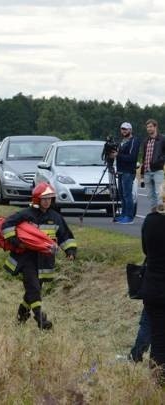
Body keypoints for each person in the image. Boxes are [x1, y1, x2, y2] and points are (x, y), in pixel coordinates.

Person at [2, 182, 77, 330]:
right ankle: (41, 320)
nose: (47, 201)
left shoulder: (56, 217)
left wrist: (70, 251)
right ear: (37, 199)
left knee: (32, 291)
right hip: (26, 259)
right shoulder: (26, 215)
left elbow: (65, 236)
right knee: (34, 289)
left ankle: (21, 316)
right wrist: (16, 242)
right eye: (44, 198)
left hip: (45, 261)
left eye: (50, 198)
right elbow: (7, 225)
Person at [138, 182, 165, 383]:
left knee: (158, 337)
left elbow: (146, 250)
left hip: (153, 286)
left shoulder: (150, 221)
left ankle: (157, 380)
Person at [111, 122, 140, 224]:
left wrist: (118, 155)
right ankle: (123, 214)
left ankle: (129, 217)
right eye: (122, 129)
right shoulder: (121, 141)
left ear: (130, 130)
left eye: (126, 129)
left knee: (128, 195)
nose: (123, 131)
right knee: (122, 195)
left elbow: (132, 157)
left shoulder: (134, 141)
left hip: (128, 171)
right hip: (121, 171)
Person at [140, 119, 165, 213]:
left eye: (150, 126)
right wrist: (142, 172)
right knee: (150, 195)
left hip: (157, 170)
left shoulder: (162, 139)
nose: (149, 129)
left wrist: (160, 161)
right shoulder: (146, 141)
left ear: (155, 127)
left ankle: (161, 214)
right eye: (147, 127)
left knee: (159, 193)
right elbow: (144, 156)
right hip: (147, 171)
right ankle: (154, 214)